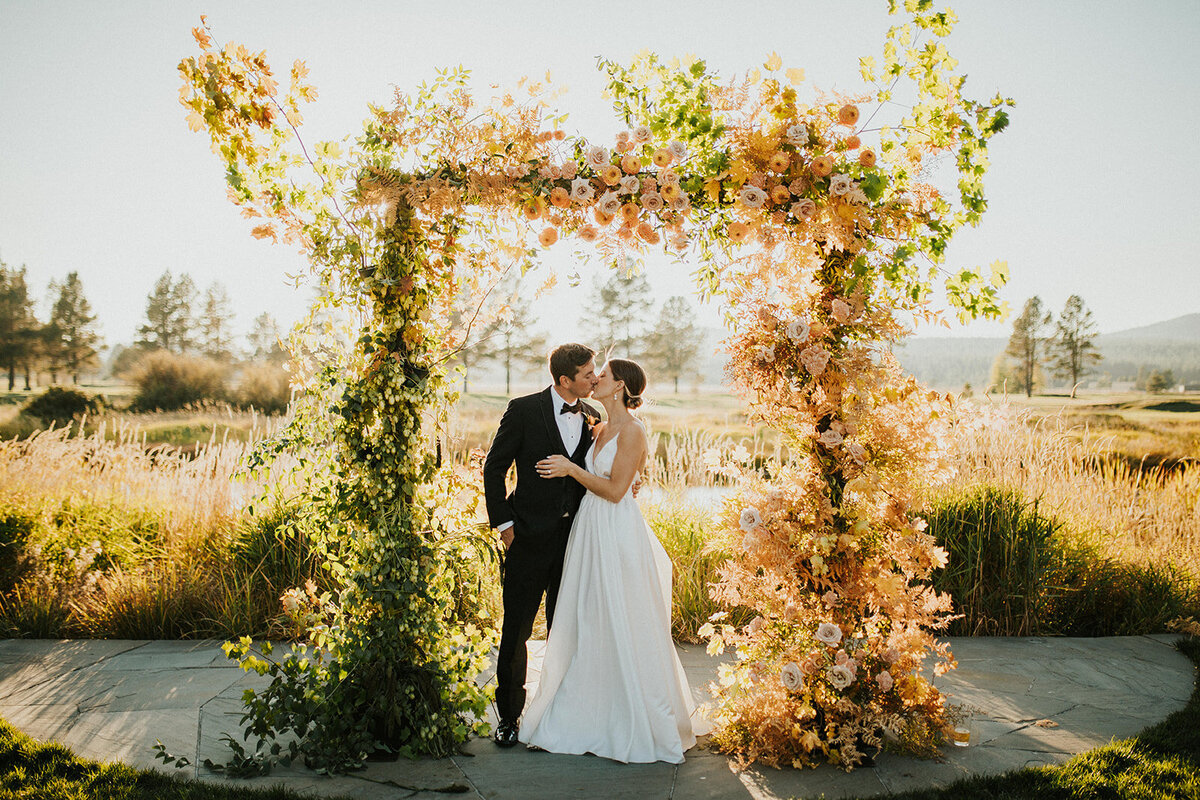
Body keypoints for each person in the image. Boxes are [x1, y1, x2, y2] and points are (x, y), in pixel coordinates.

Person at [520, 358, 698, 764]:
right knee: (590, 617)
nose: (596, 379)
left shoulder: (634, 430)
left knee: (621, 616)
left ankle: (629, 715)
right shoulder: (597, 427)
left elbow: (617, 491)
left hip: (616, 531)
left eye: (603, 375)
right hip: (589, 529)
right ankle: (586, 709)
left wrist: (570, 469)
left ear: (619, 386)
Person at [482, 343, 601, 748]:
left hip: (576, 541)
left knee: (564, 629)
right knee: (516, 630)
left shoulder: (594, 415)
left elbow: (595, 472)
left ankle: (558, 714)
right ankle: (509, 718)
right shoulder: (523, 410)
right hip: (527, 538)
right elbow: (494, 467)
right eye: (588, 373)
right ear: (565, 379)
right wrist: (505, 525)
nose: (595, 378)